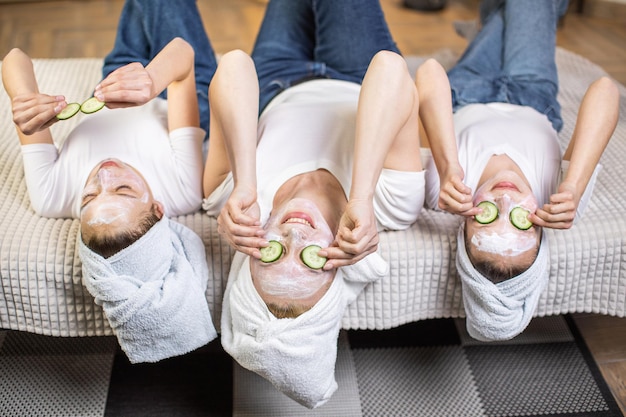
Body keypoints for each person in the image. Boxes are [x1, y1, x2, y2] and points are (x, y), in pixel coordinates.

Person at [202, 0, 425, 408]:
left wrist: (244, 183)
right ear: (336, 271)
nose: (294, 234)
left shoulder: (232, 201)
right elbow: (391, 71)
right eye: (310, 260)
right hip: (358, 76)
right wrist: (359, 196)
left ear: (248, 257)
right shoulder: (390, 206)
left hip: (274, 80)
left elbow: (234, 66)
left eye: (271, 256)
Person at [1, 0, 220, 363]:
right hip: (174, 91)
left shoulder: (52, 196)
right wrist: (151, 81)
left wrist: (23, 99)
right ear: (157, 208)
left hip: (110, 85)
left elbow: (14, 56)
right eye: (123, 189)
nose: (104, 174)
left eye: (88, 195)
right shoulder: (182, 190)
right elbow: (181, 54)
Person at [417, 0, 619, 341]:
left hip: (467, 92)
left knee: (509, 15)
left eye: (487, 218)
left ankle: (493, 24)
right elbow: (605, 91)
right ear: (540, 230)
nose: (506, 202)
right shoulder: (560, 202)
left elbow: (429, 74)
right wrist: (573, 184)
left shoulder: (444, 192)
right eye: (520, 224)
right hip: (532, 94)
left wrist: (449, 165)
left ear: (463, 225)